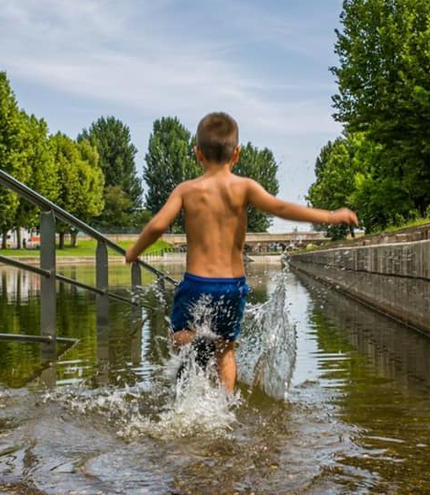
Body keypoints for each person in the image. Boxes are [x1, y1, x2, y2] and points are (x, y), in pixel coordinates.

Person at [125, 112, 358, 392]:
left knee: (178, 337)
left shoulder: (186, 190)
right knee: (225, 351)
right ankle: (225, 407)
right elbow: (281, 208)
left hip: (196, 283)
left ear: (198, 153)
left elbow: (158, 225)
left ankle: (191, 357)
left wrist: (134, 251)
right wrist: (331, 216)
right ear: (237, 153)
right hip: (232, 285)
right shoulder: (244, 187)